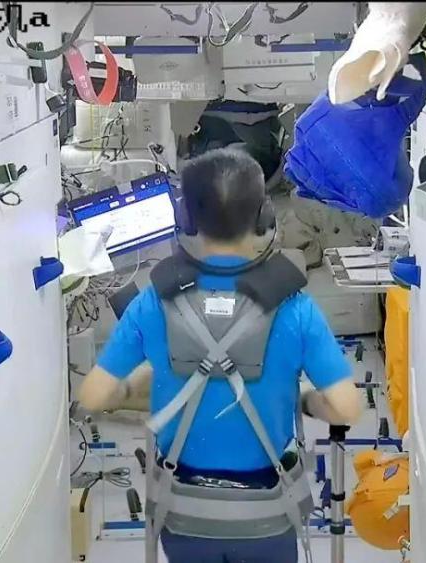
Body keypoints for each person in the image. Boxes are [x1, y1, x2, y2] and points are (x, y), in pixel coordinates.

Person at [78, 148, 362, 563]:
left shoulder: (153, 302)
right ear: (265, 216)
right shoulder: (295, 307)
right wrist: (303, 399)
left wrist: (141, 389)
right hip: (268, 517)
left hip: (184, 516)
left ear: (185, 218)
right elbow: (346, 408)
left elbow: (93, 396)